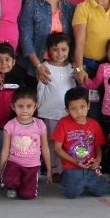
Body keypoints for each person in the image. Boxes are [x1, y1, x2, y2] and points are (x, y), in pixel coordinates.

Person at [18, 0, 75, 83]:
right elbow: (25, 37)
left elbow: (73, 39)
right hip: (34, 65)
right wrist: (37, 65)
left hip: (61, 65)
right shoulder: (32, 4)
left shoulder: (70, 8)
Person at [52, 88, 110, 199]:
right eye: (74, 109)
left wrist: (97, 160)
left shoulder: (94, 124)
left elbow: (98, 147)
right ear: (67, 110)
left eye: (82, 107)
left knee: (103, 190)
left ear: (88, 106)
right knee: (71, 194)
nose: (79, 112)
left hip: (90, 166)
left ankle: (85, 181)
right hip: (71, 166)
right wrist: (74, 161)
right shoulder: (63, 123)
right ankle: (78, 181)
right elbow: (57, 149)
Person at [0, 88, 51, 199]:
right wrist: (1, 170)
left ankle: (22, 184)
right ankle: (11, 186)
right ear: (13, 107)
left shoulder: (40, 125)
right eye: (20, 106)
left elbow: (45, 148)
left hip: (32, 166)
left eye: (29, 106)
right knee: (9, 180)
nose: (25, 110)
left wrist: (49, 169)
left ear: (35, 105)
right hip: (14, 164)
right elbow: (5, 149)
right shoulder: (10, 125)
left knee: (28, 195)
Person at [35, 32, 74, 178]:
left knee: (65, 142)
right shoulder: (44, 67)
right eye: (55, 49)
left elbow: (73, 90)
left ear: (69, 50)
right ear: (49, 51)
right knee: (51, 142)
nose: (60, 53)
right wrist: (39, 109)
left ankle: (64, 168)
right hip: (49, 112)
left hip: (66, 113)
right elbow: (40, 89)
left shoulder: (71, 67)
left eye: (64, 49)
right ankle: (53, 169)